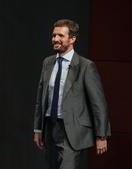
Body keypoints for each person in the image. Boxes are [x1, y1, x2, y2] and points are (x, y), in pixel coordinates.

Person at [33, 19, 111, 169]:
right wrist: (38, 129)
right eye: (54, 35)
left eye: (60, 36)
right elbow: (40, 98)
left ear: (72, 39)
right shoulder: (47, 63)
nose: (55, 39)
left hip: (72, 131)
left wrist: (101, 136)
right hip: (50, 127)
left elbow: (98, 103)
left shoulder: (86, 66)